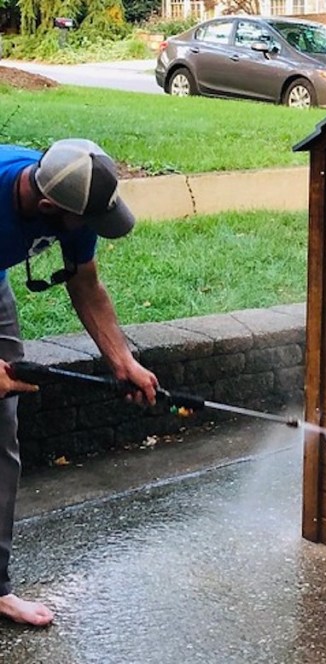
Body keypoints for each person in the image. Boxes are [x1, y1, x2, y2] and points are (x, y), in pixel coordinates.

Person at [0, 139, 159, 626]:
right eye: (86, 223)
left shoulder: (71, 190)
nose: (90, 230)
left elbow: (85, 283)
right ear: (47, 206)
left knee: (0, 436)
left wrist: (121, 360)